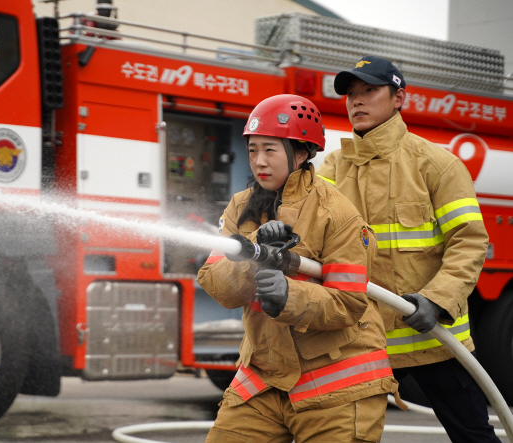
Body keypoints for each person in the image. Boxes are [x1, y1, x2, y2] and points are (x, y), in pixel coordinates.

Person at [198, 94, 403, 443]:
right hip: (265, 376)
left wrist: (287, 295)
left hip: (337, 383)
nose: (259, 162)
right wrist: (251, 261)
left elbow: (349, 303)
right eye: (252, 150)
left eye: (270, 150)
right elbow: (218, 287)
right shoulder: (241, 207)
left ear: (301, 154)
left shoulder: (336, 213)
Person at [316, 55, 498, 443]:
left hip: (435, 340)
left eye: (369, 90)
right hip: (363, 341)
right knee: (338, 435)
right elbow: (309, 236)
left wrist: (437, 300)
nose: (357, 101)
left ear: (398, 98)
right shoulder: (330, 170)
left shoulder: (437, 165)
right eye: (351, 94)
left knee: (474, 436)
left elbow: (469, 241)